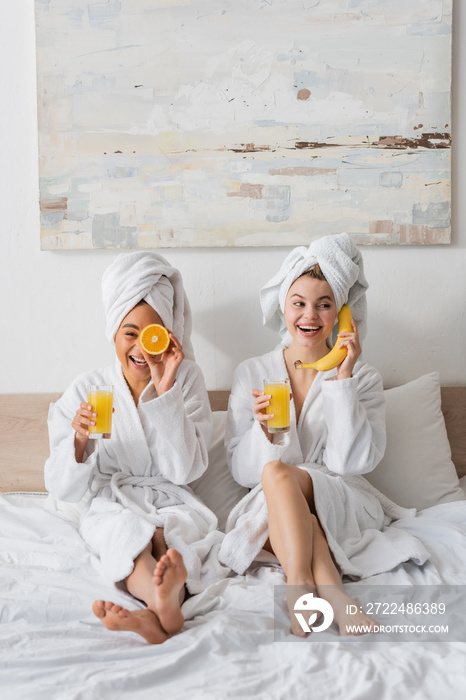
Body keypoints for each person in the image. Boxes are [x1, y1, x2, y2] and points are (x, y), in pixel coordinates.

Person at [218, 233, 429, 637]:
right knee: (288, 498)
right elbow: (244, 474)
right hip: (274, 506)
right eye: (299, 302)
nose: (309, 315)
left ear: (342, 314)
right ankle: (337, 600)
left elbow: (350, 464)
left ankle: (299, 596)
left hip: (341, 498)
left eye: (324, 303)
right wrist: (264, 435)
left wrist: (342, 381)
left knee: (279, 474)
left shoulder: (362, 377)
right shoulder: (252, 373)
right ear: (284, 306)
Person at [45, 251, 227, 644]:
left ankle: (157, 609)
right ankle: (163, 604)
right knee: (124, 532)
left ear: (168, 335)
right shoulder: (87, 390)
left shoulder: (187, 379)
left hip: (172, 497)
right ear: (113, 334)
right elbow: (63, 488)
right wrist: (79, 441)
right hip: (114, 500)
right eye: (130, 333)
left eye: (152, 334)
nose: (141, 348)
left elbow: (184, 472)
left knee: (169, 537)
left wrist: (166, 395)